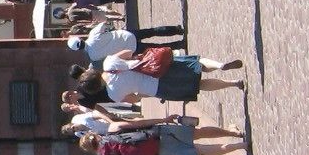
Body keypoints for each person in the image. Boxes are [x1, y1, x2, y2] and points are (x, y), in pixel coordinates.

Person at [93, 49, 243, 104]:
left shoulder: (113, 94)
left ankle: (234, 83)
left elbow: (136, 98)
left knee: (199, 85)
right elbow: (128, 52)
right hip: (157, 67)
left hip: (157, 88)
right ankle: (220, 65)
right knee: (197, 65)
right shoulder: (109, 63)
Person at [77, 124, 246, 155]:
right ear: (93, 134)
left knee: (200, 151)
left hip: (156, 153)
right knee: (197, 133)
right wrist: (161, 121)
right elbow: (135, 123)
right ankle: (233, 133)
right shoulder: (111, 131)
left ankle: (239, 146)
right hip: (156, 135)